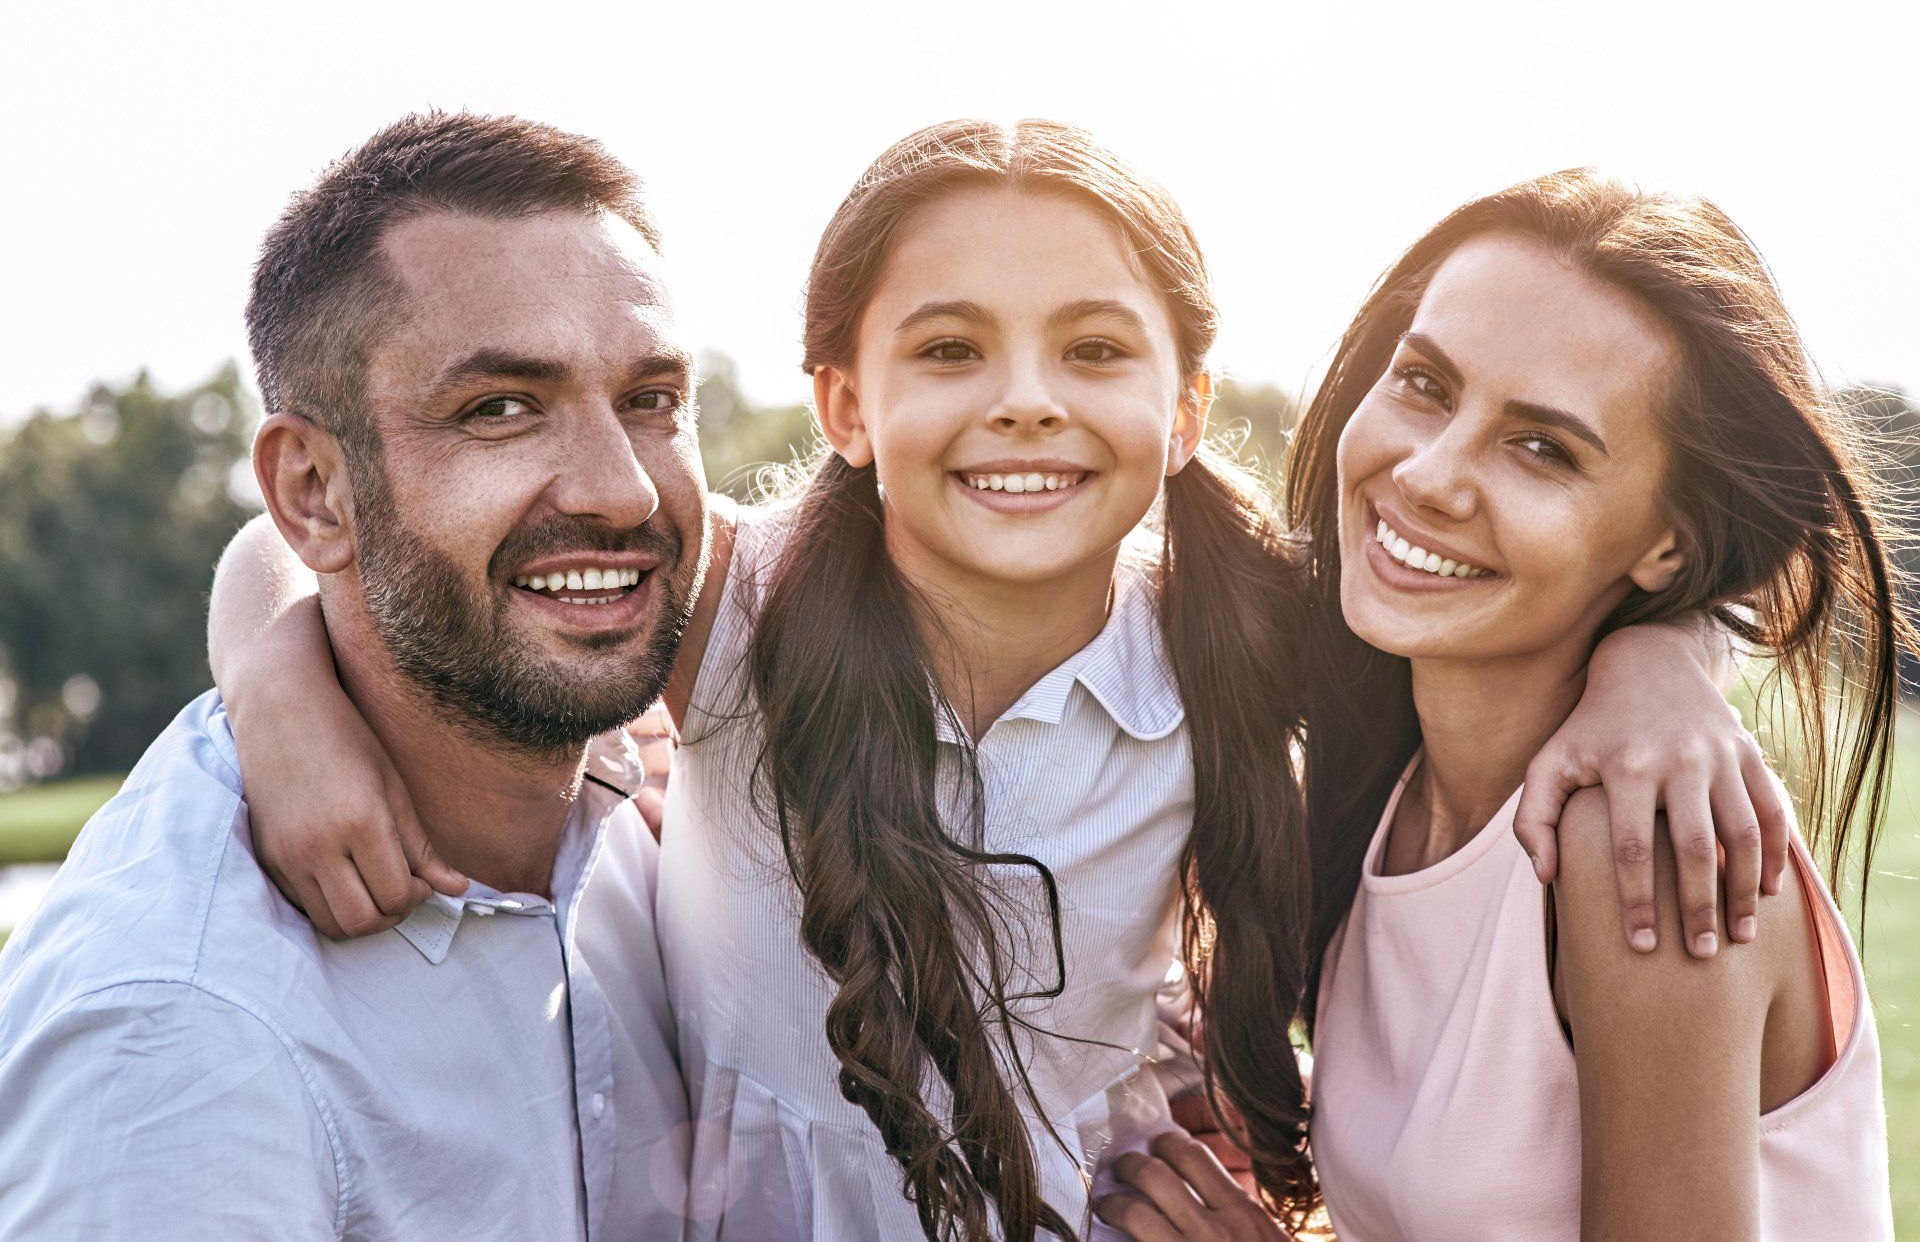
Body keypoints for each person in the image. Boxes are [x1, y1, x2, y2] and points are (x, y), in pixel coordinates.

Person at [210, 126, 1785, 1242]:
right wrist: (278, 684)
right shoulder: (729, 606)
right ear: (845, 401)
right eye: (951, 350)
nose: (1025, 402)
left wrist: (1666, 662)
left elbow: (1560, 585)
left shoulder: (1243, 637)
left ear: (1184, 406)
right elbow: (283, 548)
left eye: (1096, 351)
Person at [1095, 171, 1901, 1240]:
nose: (1428, 474)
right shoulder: (1373, 789)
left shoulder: (1642, 849)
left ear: (1672, 544)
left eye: (1541, 448)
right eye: (1425, 384)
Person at [0, 113, 702, 1238]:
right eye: (500, 409)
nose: (622, 491)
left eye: (651, 399)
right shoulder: (182, 1044)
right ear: (316, 491)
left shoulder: (662, 776)